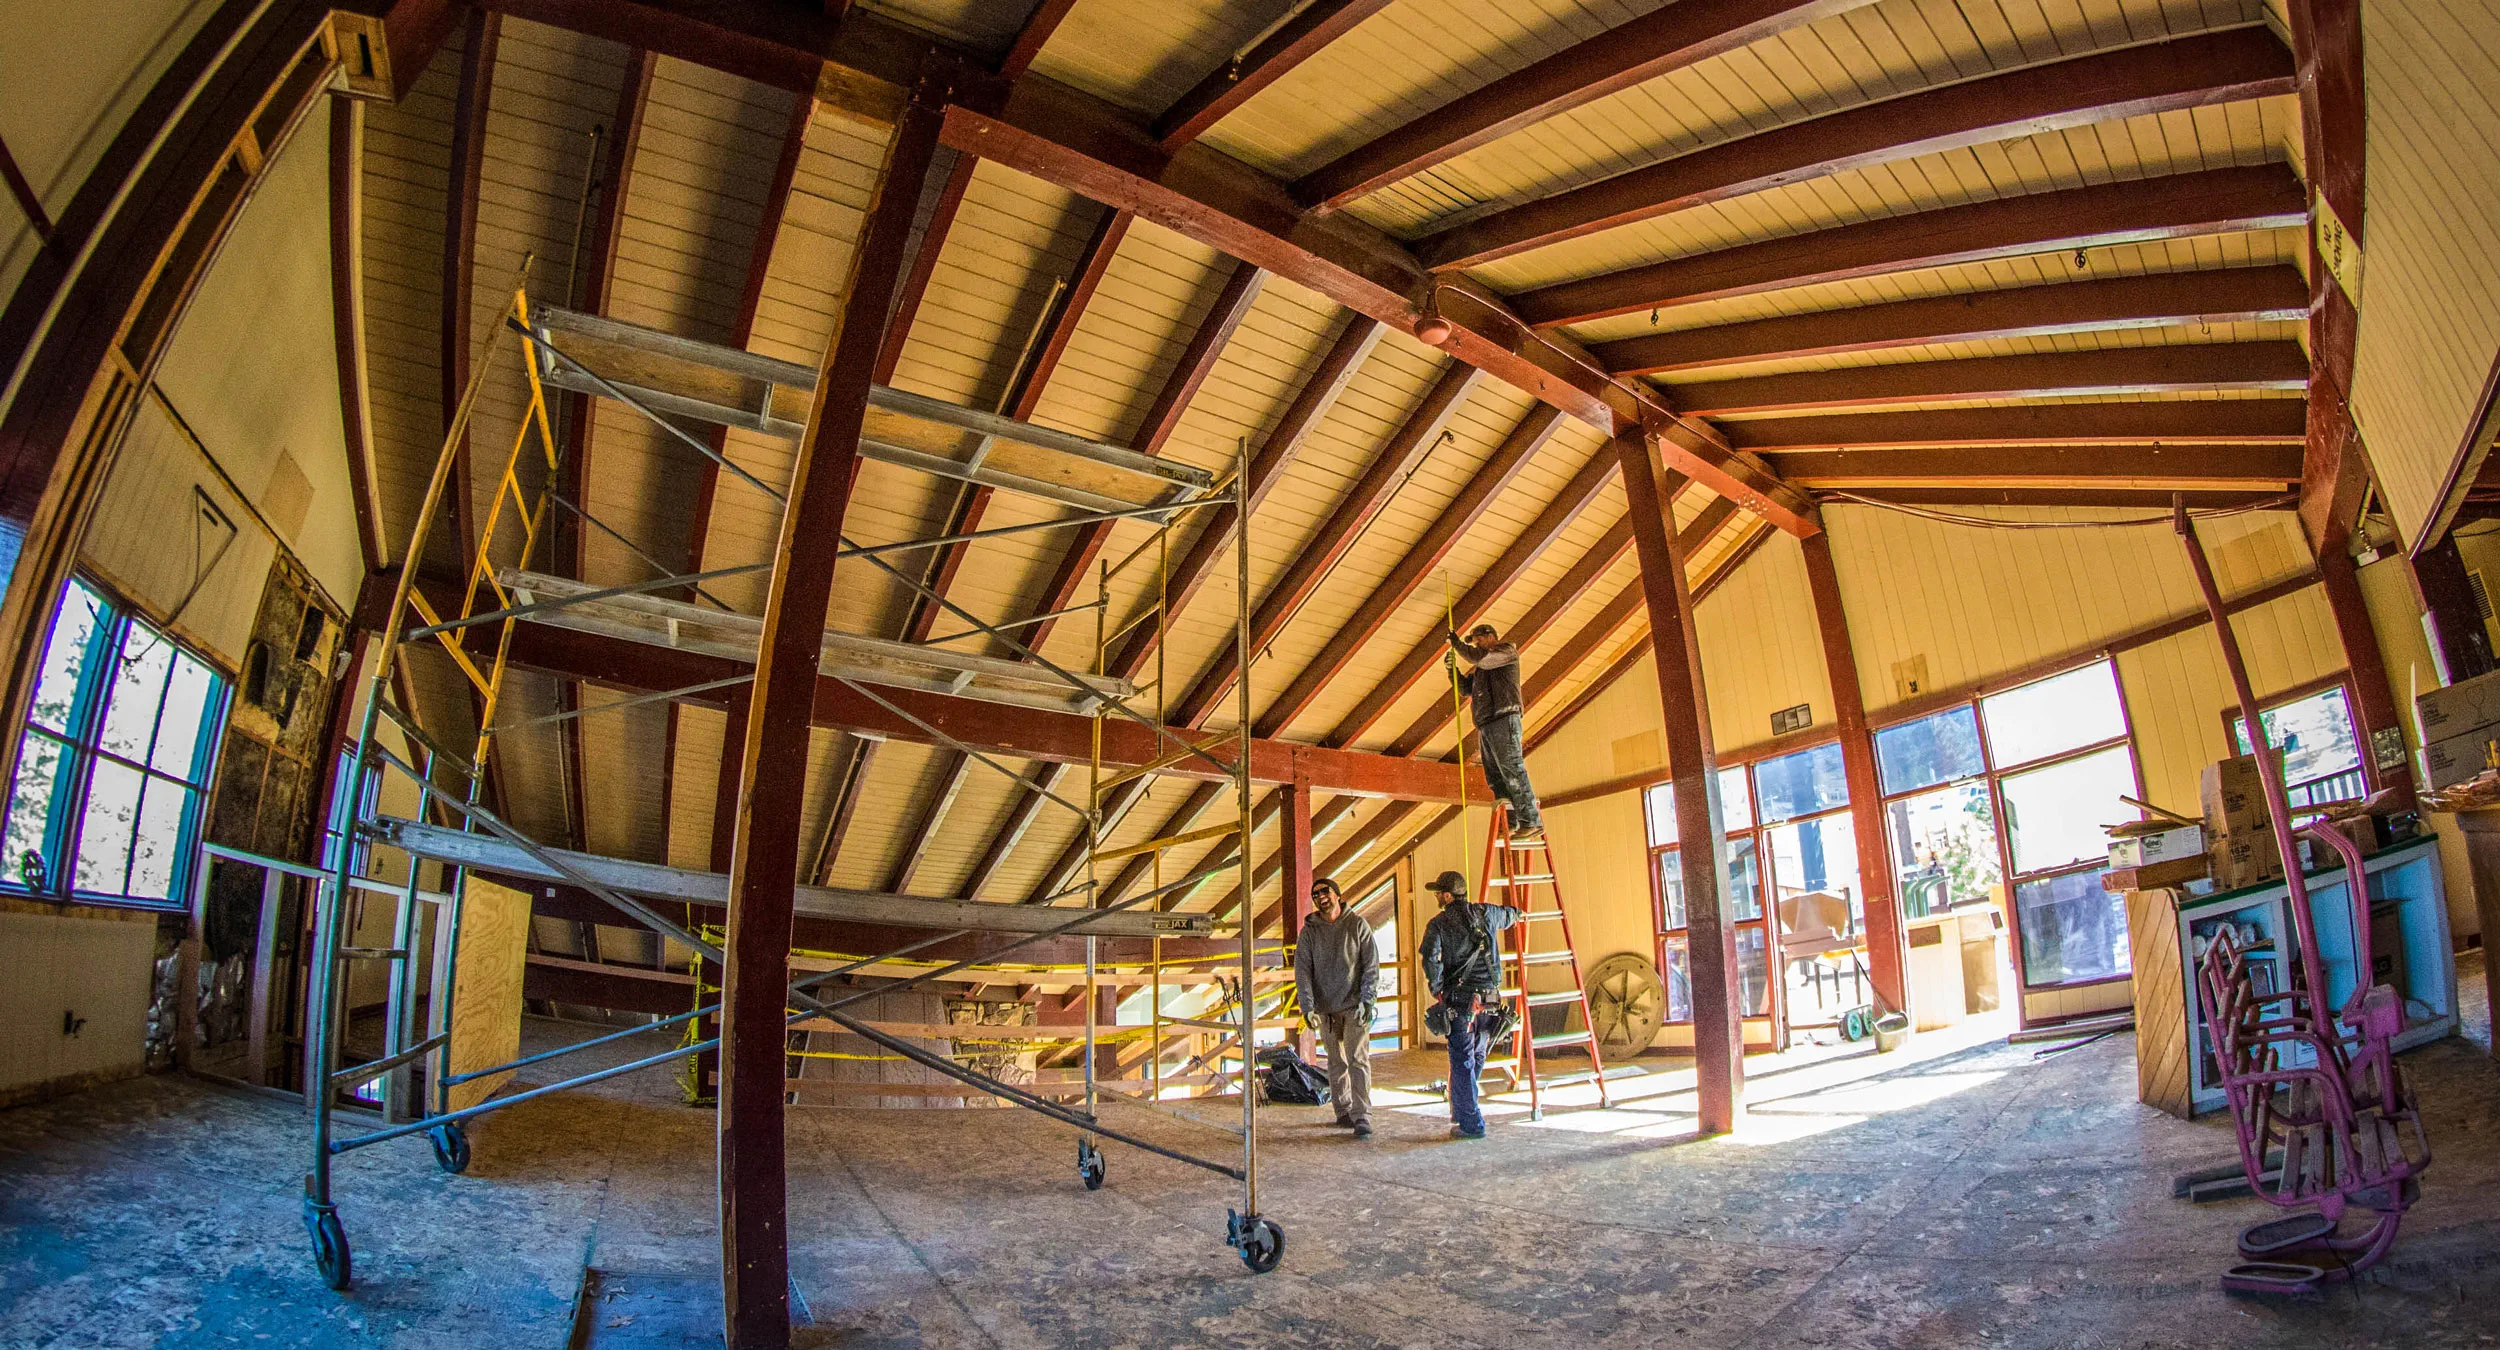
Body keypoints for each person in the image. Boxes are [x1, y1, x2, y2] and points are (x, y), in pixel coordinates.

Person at [1418, 869, 1521, 1140]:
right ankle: (1464, 1110)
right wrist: (1517, 913)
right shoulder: (1487, 913)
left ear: (1448, 895)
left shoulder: (1439, 923)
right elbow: (1511, 915)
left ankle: (1470, 1122)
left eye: (1439, 893)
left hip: (1462, 1002)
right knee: (1476, 1055)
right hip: (1490, 1000)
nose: (1437, 897)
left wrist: (1437, 989)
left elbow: (1430, 959)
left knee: (1462, 1060)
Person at [1290, 876, 1377, 1138]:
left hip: (1353, 1006)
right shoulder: (1309, 932)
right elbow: (1302, 971)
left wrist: (1367, 1000)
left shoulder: (1357, 925)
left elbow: (1371, 966)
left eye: (1325, 892)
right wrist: (1308, 1007)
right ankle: (1343, 1110)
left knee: (1357, 1060)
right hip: (1326, 1009)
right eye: (1315, 895)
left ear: (1338, 895)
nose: (1320, 897)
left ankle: (1362, 1115)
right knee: (1336, 1063)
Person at [1446, 621, 1542, 839]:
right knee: (1496, 777)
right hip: (1487, 724)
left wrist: (1457, 644)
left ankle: (1531, 820)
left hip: (1504, 719)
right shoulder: (1482, 667)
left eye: (1478, 640)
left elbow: (1478, 658)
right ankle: (1514, 822)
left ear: (1490, 636)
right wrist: (1452, 670)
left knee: (1512, 769)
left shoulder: (1506, 652)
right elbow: (1464, 689)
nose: (1476, 645)